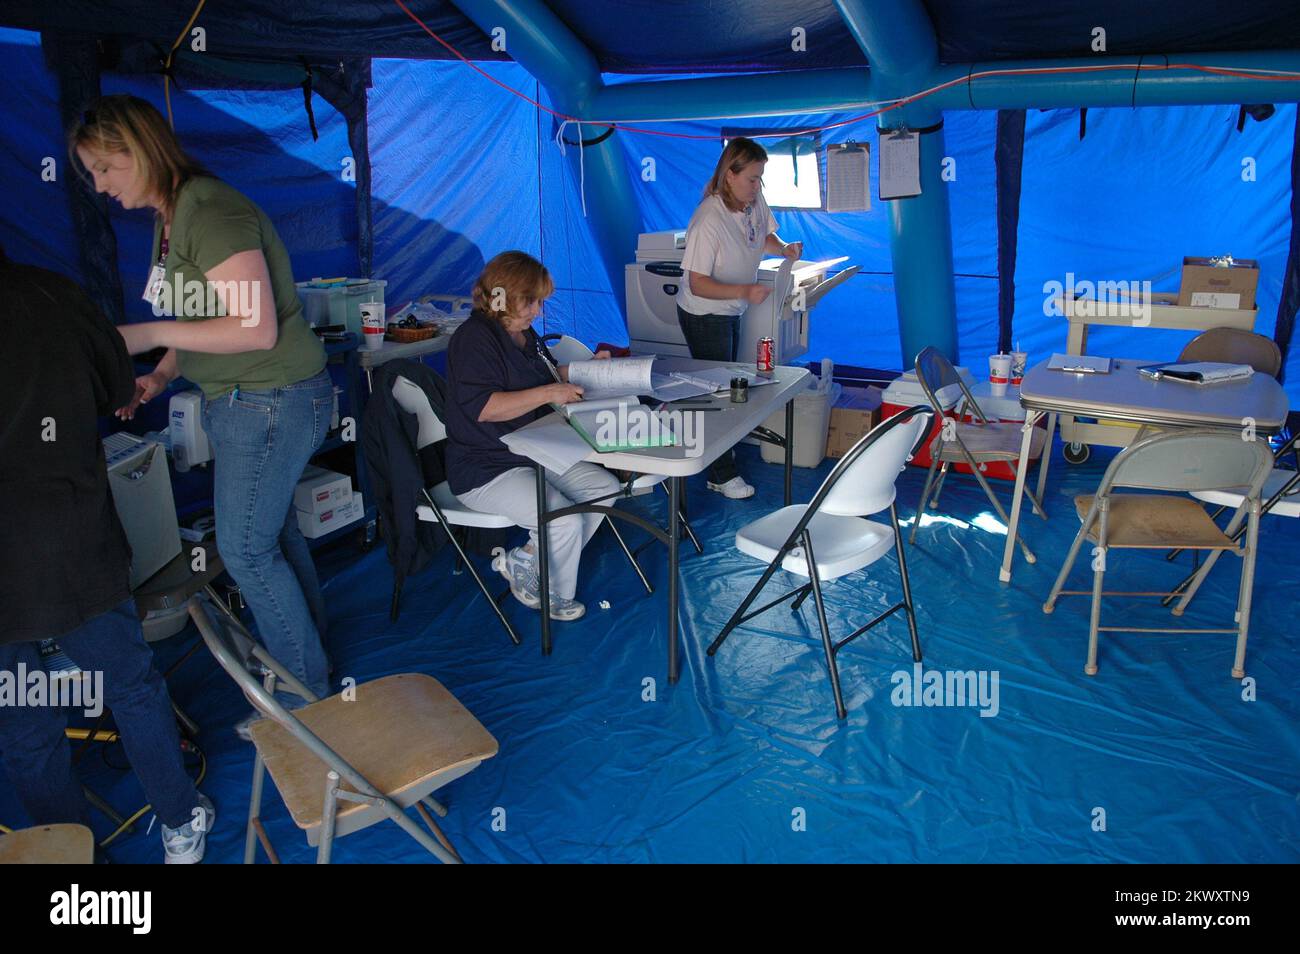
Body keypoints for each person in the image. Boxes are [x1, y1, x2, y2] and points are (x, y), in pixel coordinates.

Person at [70, 95, 333, 735]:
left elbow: (256, 327)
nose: (100, 186)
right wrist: (160, 374)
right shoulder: (172, 217)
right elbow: (202, 319)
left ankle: (304, 704)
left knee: (245, 551)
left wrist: (140, 334)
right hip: (251, 401)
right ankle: (306, 662)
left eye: (107, 168)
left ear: (143, 150)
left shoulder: (208, 212)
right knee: (274, 538)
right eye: (91, 174)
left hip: (270, 400)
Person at [0, 243, 215, 862]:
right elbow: (116, 391)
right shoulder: (53, 294)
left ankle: (69, 856)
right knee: (130, 685)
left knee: (23, 720)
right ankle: (179, 822)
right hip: (68, 538)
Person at [444, 251, 621, 621]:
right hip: (485, 466)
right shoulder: (474, 338)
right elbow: (485, 407)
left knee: (603, 489)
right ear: (504, 295)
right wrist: (549, 394)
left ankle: (528, 561)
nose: (538, 310)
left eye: (540, 301)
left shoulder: (523, 333)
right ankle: (551, 591)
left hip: (532, 451)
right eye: (531, 300)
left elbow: (547, 373)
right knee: (563, 520)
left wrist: (590, 369)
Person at [676, 136, 803, 499]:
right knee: (717, 392)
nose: (757, 186)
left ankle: (721, 456)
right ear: (729, 175)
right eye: (752, 178)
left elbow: (763, 235)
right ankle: (721, 473)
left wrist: (785, 249)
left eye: (760, 178)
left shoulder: (752, 200)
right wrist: (744, 292)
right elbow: (698, 284)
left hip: (731, 309)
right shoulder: (707, 220)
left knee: (727, 383)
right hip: (705, 313)